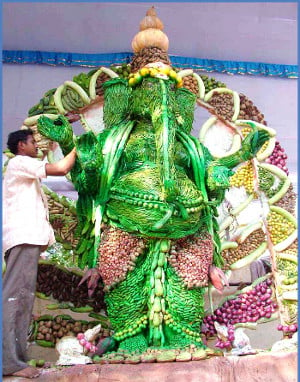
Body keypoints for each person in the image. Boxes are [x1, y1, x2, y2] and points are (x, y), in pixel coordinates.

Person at [2, 128, 77, 378]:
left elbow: (46, 162)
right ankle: (8, 363)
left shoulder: (24, 167)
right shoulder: (19, 162)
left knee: (22, 299)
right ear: (21, 146)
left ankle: (17, 360)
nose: (36, 146)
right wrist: (78, 146)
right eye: (33, 142)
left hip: (28, 240)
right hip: (23, 239)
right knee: (14, 299)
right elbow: (61, 169)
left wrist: (52, 144)